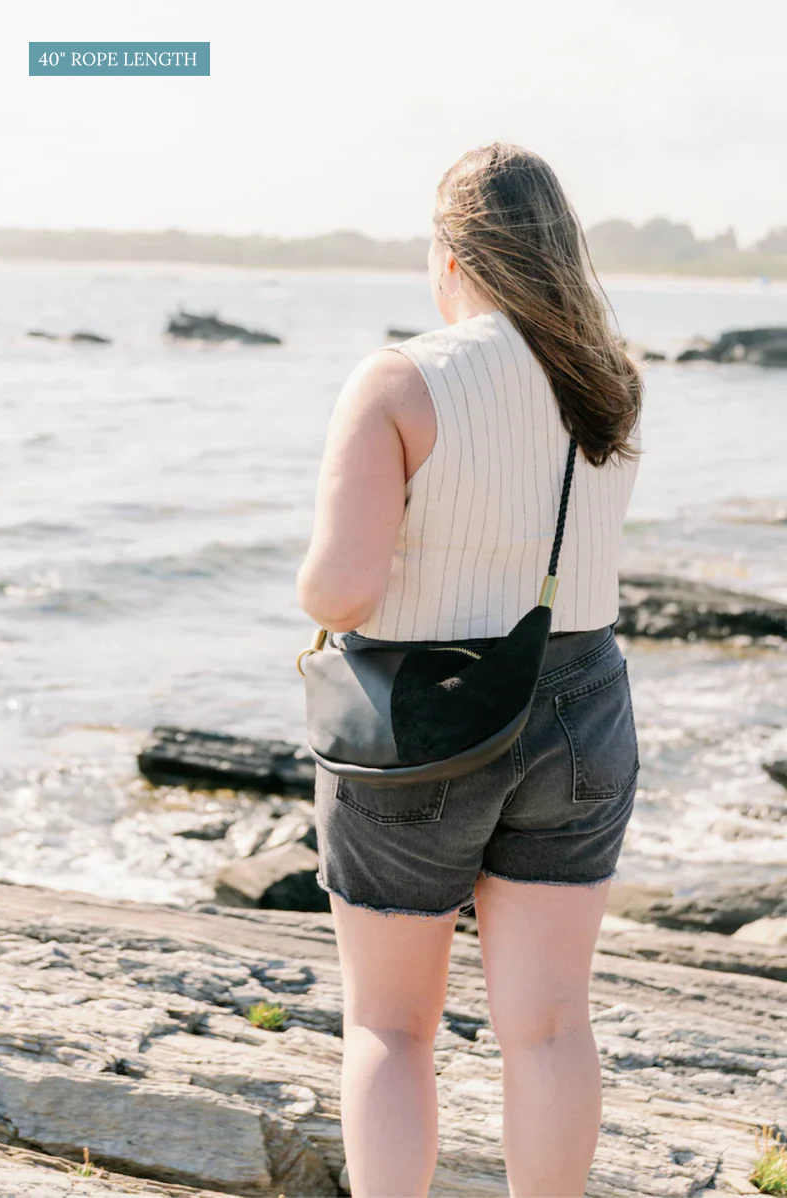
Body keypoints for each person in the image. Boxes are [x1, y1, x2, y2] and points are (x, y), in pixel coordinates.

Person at [296, 141, 643, 1198]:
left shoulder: (399, 380)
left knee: (391, 1027)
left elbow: (339, 594)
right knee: (550, 1026)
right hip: (582, 706)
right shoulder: (610, 382)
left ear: (451, 255)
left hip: (424, 721)